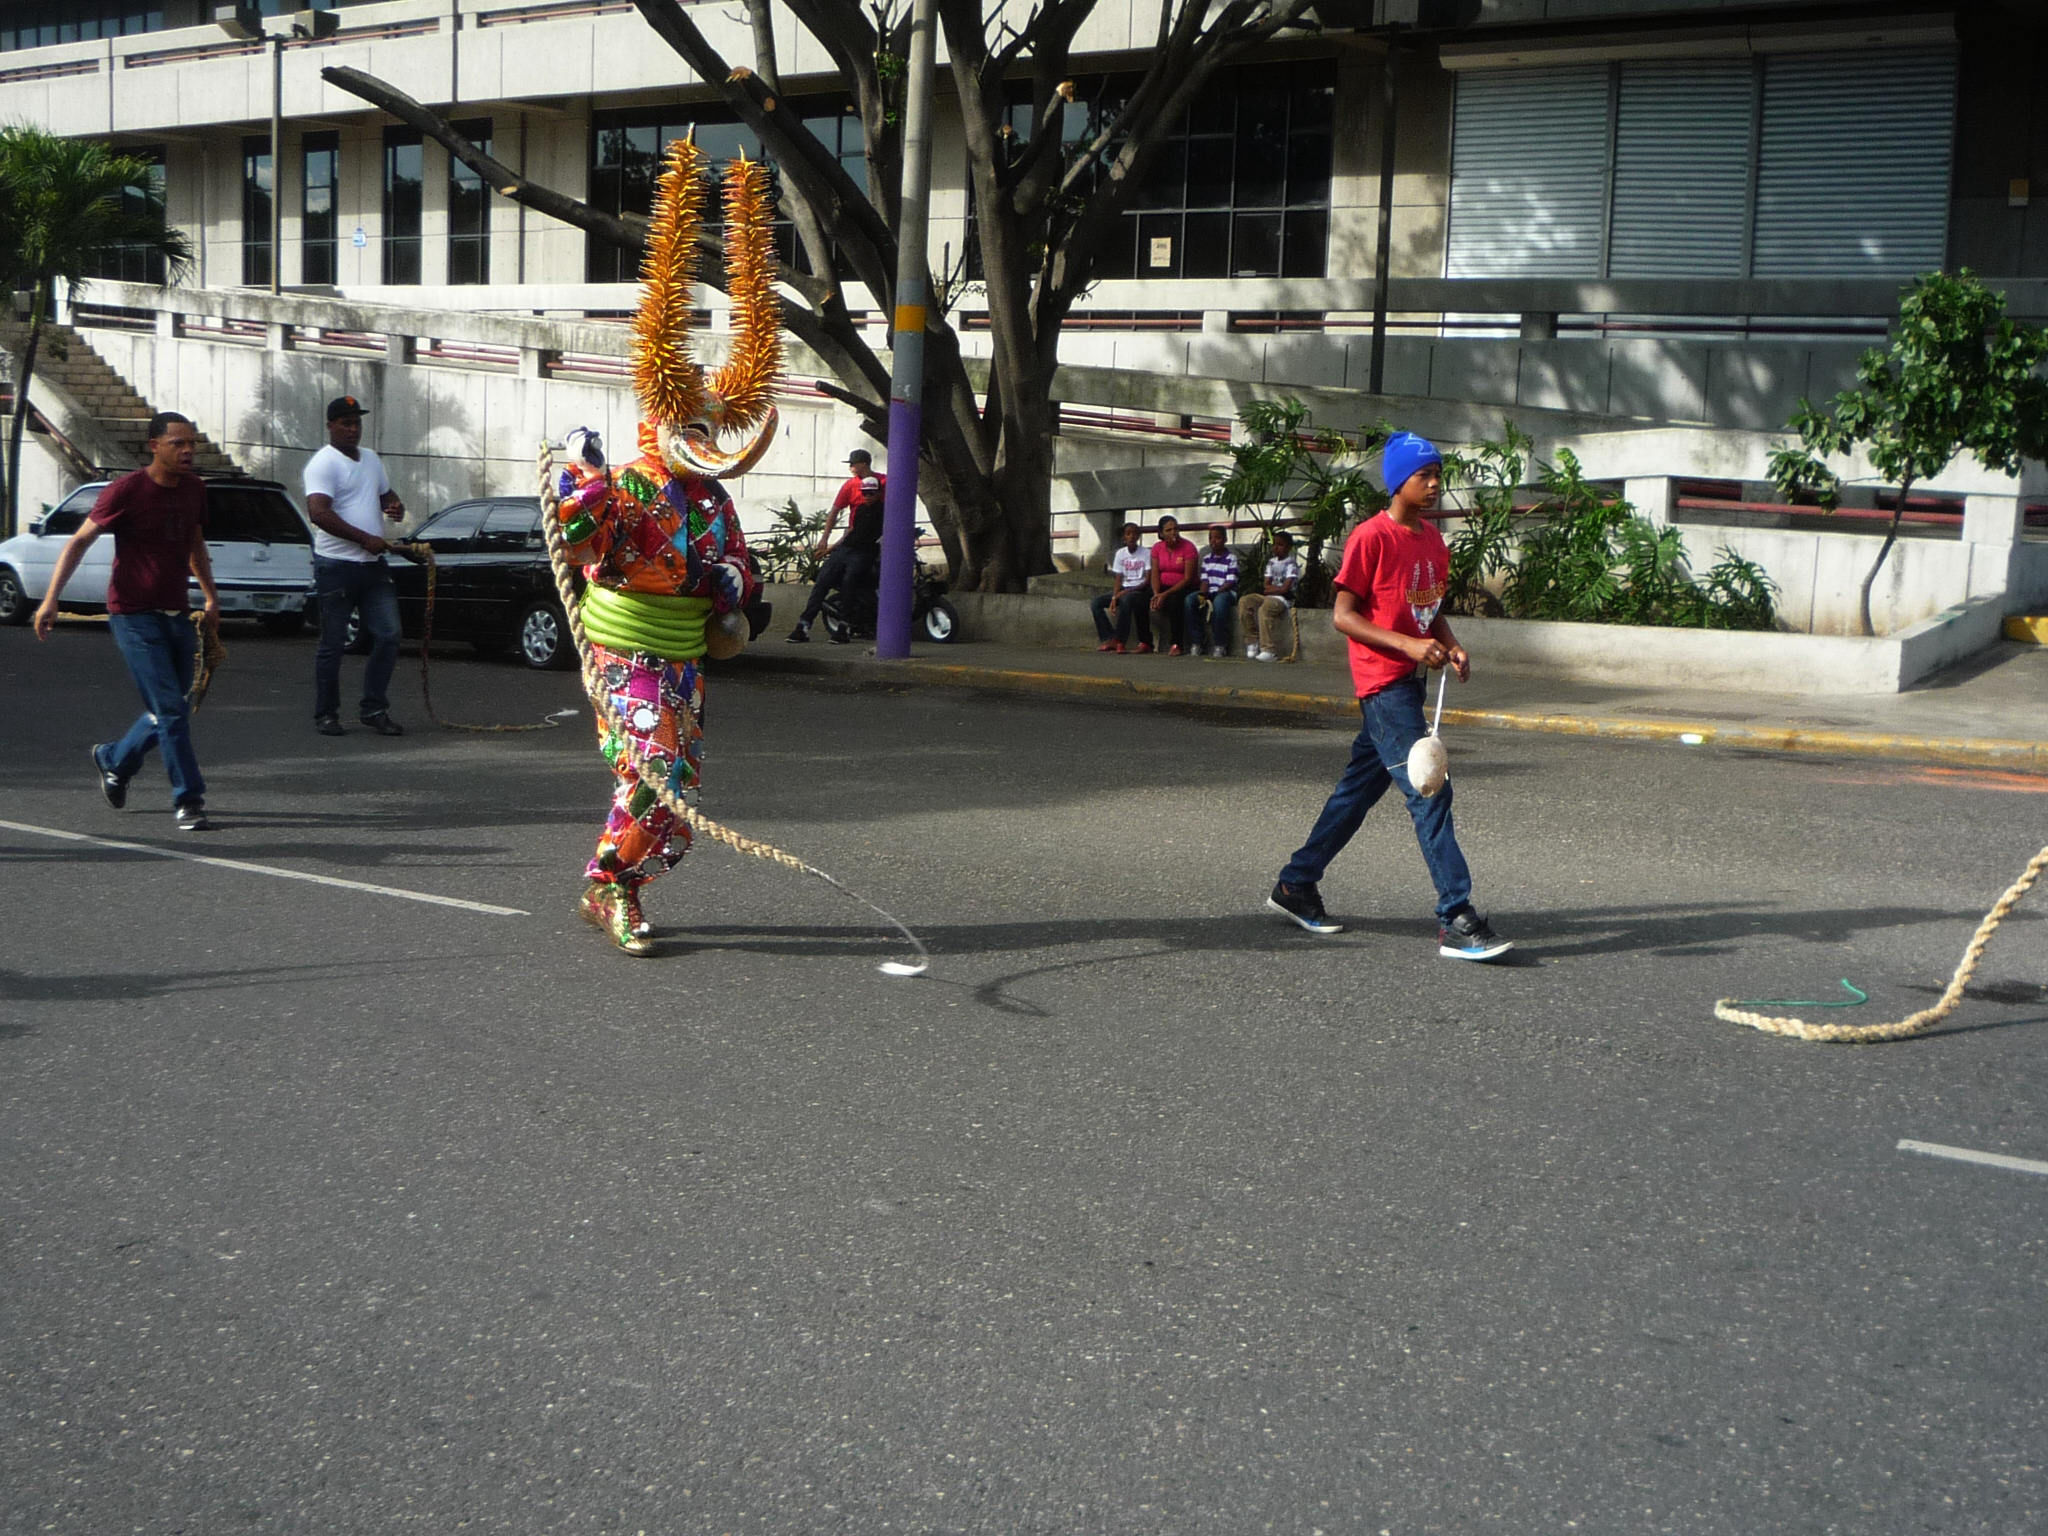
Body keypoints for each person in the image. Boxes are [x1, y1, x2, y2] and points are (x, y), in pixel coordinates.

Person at [1266, 431, 1512, 961]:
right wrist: (1408, 644)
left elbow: (1428, 608)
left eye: (1437, 476)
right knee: (1430, 788)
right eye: (1424, 476)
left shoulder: (1432, 541)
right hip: (1382, 684)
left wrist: (1450, 644)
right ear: (1398, 480)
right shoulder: (1371, 538)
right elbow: (1344, 616)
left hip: (1411, 681)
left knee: (1357, 792)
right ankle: (1457, 916)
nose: (1433, 485)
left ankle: (1296, 883)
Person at [554, 426, 758, 955]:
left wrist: (734, 575)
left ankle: (614, 886)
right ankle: (613, 884)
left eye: (705, 430)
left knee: (680, 786)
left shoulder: (715, 497)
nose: (700, 440)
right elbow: (579, 544)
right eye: (687, 428)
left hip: (685, 658)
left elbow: (736, 555)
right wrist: (590, 480)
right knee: (656, 770)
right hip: (624, 655)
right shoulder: (627, 483)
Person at [33, 411, 220, 831]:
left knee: (175, 708)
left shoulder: (194, 490)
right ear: (154, 446)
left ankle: (113, 759)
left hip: (178, 613)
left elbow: (194, 541)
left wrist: (211, 596)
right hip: (133, 615)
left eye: (192, 443)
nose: (188, 450)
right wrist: (50, 601)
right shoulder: (126, 491)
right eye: (178, 443)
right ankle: (189, 800)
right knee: (170, 709)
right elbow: (79, 542)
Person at [304, 395, 406, 737]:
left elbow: (383, 496)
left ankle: (374, 709)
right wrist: (364, 538)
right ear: (330, 426)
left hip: (373, 565)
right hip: (336, 565)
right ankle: (326, 714)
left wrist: (394, 506)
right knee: (333, 643)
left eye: (357, 423)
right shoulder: (323, 463)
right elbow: (319, 512)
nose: (352, 429)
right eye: (345, 423)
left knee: (389, 635)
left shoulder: (372, 460)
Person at [787, 448, 885, 643]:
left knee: (850, 581)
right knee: (823, 580)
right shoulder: (854, 497)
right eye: (864, 493)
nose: (867, 496)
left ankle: (844, 627)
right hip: (848, 546)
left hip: (865, 549)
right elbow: (850, 529)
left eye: (871, 493)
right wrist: (827, 544)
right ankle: (804, 624)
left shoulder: (882, 507)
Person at [1090, 520, 1153, 653]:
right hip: (1124, 589)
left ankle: (1120, 641)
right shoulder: (1120, 554)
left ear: (1138, 537)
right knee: (1096, 603)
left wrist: (1124, 593)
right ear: (1123, 537)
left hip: (1140, 590)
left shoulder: (1146, 553)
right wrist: (1114, 596)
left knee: (1126, 600)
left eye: (1135, 534)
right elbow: (1119, 578)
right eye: (1128, 534)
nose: (1131, 536)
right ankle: (1108, 637)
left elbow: (1147, 581)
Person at [1239, 529, 1302, 662]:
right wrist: (1275, 589)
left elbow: (1286, 588)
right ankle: (1252, 641)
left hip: (1284, 600)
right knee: (1246, 601)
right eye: (1275, 544)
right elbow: (1265, 586)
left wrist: (1273, 589)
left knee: (1266, 608)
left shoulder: (1291, 563)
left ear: (1289, 547)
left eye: (1280, 545)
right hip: (1269, 596)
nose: (1276, 548)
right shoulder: (1271, 562)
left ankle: (1268, 650)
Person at [1148, 515, 1202, 656]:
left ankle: (1176, 643)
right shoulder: (1157, 548)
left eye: (1176, 529)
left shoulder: (1188, 547)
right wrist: (1156, 593)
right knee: (1138, 599)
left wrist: (1164, 595)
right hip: (1162, 587)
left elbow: (1188, 578)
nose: (1173, 533)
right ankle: (1145, 641)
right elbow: (1155, 573)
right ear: (1161, 533)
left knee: (1175, 601)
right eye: (1169, 530)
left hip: (1184, 587)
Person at [1187, 525, 1239, 658]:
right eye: (1211, 538)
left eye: (1217, 538)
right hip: (1210, 591)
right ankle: (1197, 641)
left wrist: (1216, 593)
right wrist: (1203, 595)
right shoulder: (1206, 559)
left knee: (1220, 603)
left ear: (1225, 539)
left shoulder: (1231, 558)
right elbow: (1205, 581)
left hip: (1226, 592)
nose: (1213, 541)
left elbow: (1230, 582)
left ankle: (1220, 644)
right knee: (1190, 600)